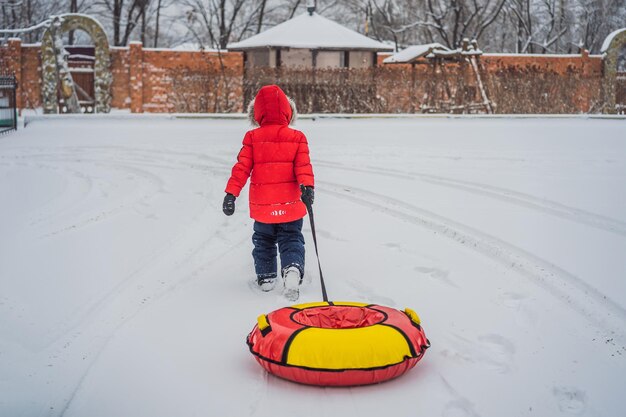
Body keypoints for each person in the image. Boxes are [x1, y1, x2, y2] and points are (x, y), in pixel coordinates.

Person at [223, 85, 315, 301]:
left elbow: (241, 168)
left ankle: (266, 276)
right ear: (288, 111)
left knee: (263, 239)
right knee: (291, 237)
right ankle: (292, 269)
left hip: (263, 205)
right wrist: (307, 188)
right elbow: (304, 166)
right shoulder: (297, 137)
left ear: (257, 114)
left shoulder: (252, 137)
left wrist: (231, 194)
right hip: (290, 205)